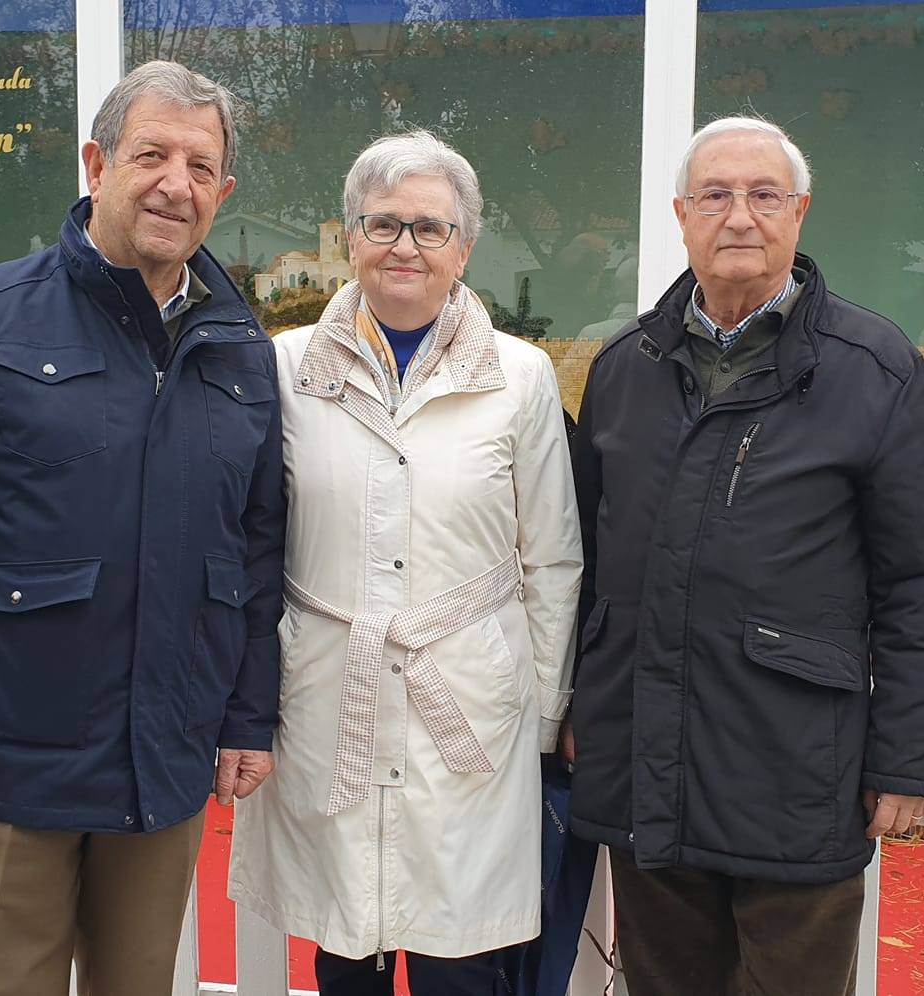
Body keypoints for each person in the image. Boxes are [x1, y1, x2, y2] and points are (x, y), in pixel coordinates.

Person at [0, 61, 285, 996]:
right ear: (96, 163)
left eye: (201, 165)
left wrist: (247, 714)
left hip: (162, 767)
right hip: (11, 772)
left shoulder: (241, 349)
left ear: (224, 192)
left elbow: (254, 552)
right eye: (152, 154)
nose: (177, 182)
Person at [564, 116, 924, 995]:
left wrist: (905, 759)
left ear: (800, 212)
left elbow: (923, 579)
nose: (738, 216)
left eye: (762, 194)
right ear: (681, 213)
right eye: (715, 195)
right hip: (648, 766)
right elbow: (584, 556)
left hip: (795, 769)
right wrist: (573, 698)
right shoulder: (626, 368)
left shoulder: (873, 367)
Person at [229, 129, 583, 995]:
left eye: (430, 227)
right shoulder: (283, 369)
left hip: (471, 705)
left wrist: (538, 716)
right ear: (349, 234)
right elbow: (252, 545)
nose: (405, 247)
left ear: (464, 245)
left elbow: (553, 559)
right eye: (382, 224)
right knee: (346, 949)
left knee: (460, 959)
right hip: (328, 692)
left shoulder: (522, 376)